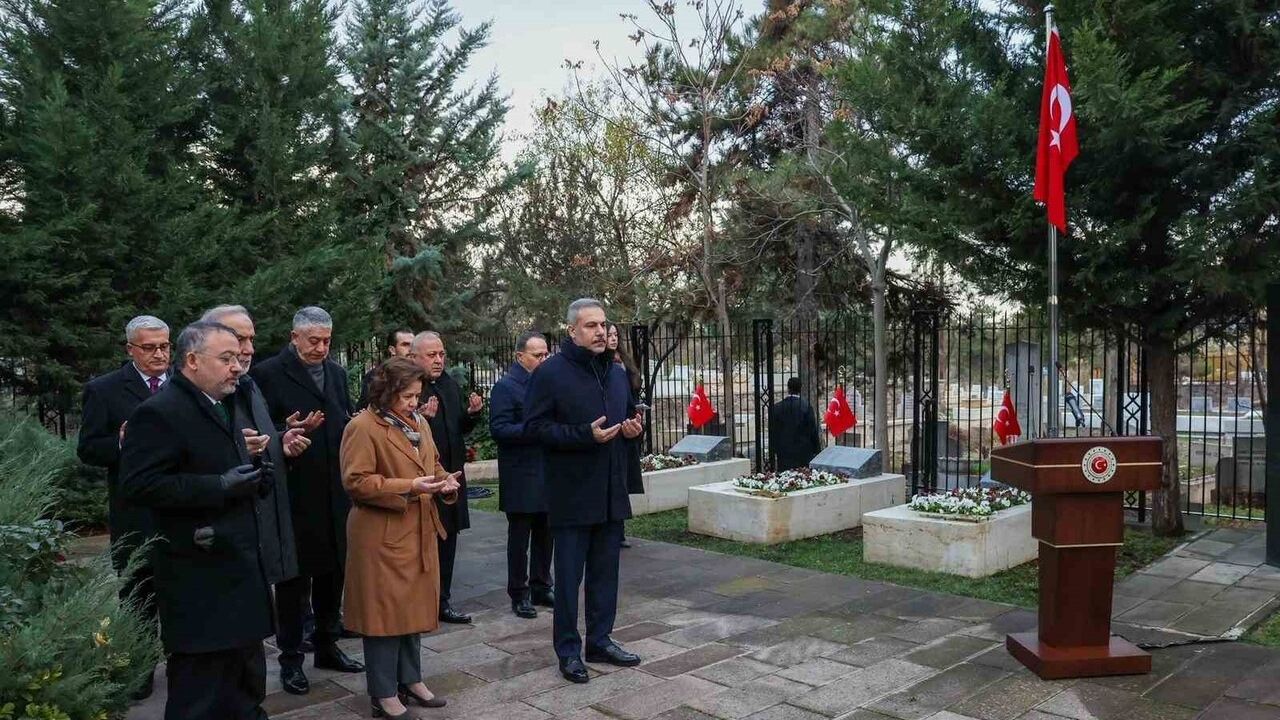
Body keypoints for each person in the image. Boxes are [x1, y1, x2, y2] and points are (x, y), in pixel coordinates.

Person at [118, 321, 304, 720]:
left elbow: (231, 465)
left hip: (240, 572)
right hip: (199, 582)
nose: (237, 366)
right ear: (192, 360)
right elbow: (139, 486)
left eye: (238, 358)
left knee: (246, 686)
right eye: (226, 358)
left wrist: (257, 473)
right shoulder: (159, 412)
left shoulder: (225, 403)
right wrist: (217, 485)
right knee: (199, 697)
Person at [525, 298, 645, 684]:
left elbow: (623, 421)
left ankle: (600, 640)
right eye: (590, 326)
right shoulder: (551, 374)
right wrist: (583, 435)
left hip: (610, 491)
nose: (598, 331)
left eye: (602, 324)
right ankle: (568, 650)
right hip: (571, 494)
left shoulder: (614, 373)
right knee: (569, 579)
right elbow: (535, 429)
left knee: (605, 575)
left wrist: (631, 432)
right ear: (572, 331)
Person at [250, 306, 363, 695]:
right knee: (295, 581)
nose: (320, 348)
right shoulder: (265, 374)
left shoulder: (336, 373)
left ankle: (328, 645)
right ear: (294, 337)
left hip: (335, 488)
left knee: (333, 570)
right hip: (294, 489)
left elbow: (341, 418)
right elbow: (254, 430)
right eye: (313, 341)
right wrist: (287, 432)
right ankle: (291, 658)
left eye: (327, 341)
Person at [340, 358, 461, 719]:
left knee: (411, 609)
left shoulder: (419, 422)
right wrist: (409, 486)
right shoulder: (362, 427)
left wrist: (444, 482)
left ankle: (411, 679)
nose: (414, 402)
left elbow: (433, 463)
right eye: (407, 396)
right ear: (387, 392)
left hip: (417, 531)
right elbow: (356, 482)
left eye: (417, 396)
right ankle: (383, 693)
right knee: (384, 617)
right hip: (381, 536)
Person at [76, 314, 171, 700]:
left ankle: (188, 662)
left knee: (183, 591)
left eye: (165, 346)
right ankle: (142, 666)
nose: (159, 354)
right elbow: (87, 449)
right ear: (130, 349)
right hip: (136, 513)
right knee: (139, 594)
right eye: (149, 348)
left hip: (184, 506)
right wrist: (119, 444)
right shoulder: (105, 390)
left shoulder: (186, 381)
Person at [411, 331, 484, 624]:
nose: (439, 360)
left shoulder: (449, 385)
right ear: (415, 357)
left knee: (449, 541)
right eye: (432, 355)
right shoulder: (411, 389)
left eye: (441, 354)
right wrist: (420, 420)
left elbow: (458, 428)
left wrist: (473, 414)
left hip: (452, 478)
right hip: (425, 480)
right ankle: (421, 602)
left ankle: (443, 601)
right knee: (425, 544)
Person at [489, 331, 553, 619]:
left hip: (548, 471)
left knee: (546, 533)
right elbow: (500, 429)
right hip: (520, 474)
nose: (543, 359)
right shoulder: (506, 387)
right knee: (520, 538)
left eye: (546, 354)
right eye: (537, 355)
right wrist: (533, 430)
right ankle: (519, 592)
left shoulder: (549, 383)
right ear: (520, 356)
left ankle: (542, 585)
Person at [606, 322, 644, 549]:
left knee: (620, 482)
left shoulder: (622, 367)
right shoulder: (604, 368)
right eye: (608, 334)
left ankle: (618, 531)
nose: (611, 338)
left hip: (625, 428)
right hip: (609, 430)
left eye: (613, 334)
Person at [769, 377, 822, 471]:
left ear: (788, 388)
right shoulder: (806, 407)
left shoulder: (777, 407)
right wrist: (816, 450)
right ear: (800, 389)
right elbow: (812, 429)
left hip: (784, 451)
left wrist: (773, 449)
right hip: (803, 451)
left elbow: (773, 430)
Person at [357, 327, 415, 410]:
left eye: (413, 345)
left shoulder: (420, 374)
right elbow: (364, 409)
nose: (410, 350)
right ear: (392, 350)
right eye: (405, 345)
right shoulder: (376, 376)